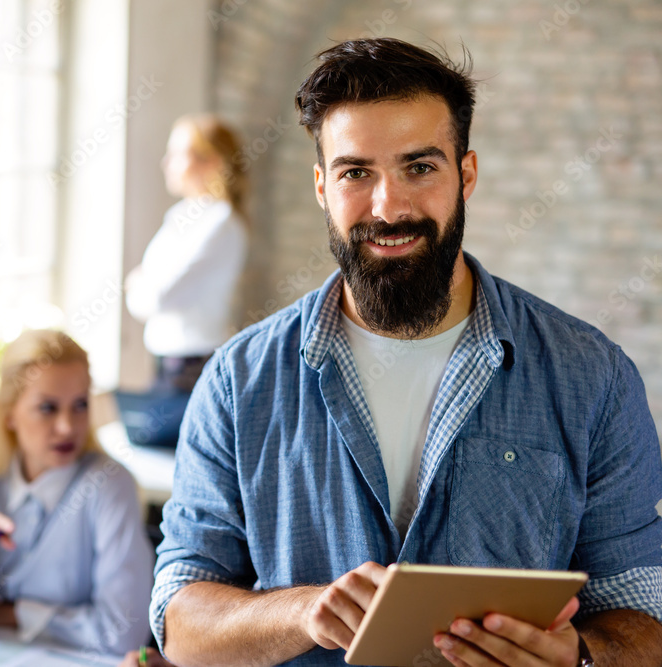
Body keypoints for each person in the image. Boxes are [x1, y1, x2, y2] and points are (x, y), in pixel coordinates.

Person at [150, 38, 662, 666]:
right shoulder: (237, 381)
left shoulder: (593, 377)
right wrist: (303, 611)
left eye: (420, 167)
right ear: (321, 187)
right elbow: (180, 625)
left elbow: (644, 614)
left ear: (465, 175)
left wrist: (581, 658)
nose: (388, 207)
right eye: (356, 172)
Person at [0, 329, 155, 655]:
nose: (67, 426)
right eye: (48, 408)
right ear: (9, 414)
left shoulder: (110, 484)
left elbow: (124, 634)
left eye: (79, 405)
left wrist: (14, 613)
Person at [125, 113, 248, 394]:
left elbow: (156, 297)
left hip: (192, 365)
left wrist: (140, 283)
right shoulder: (181, 215)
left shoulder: (220, 223)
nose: (165, 163)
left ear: (212, 161)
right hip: (166, 361)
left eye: (177, 154)